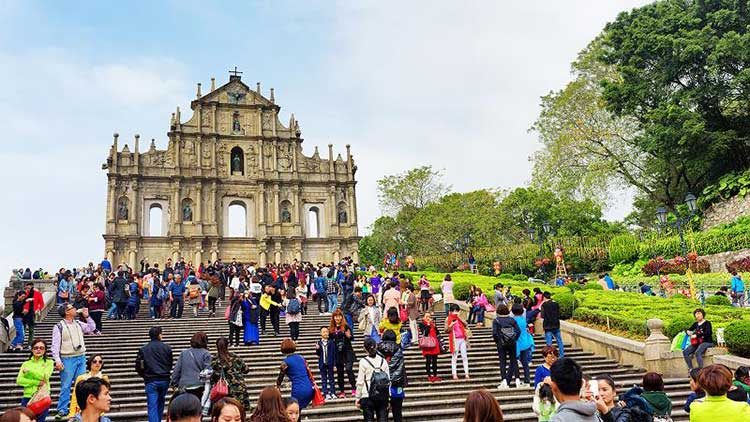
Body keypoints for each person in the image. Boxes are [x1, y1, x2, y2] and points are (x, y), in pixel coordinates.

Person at [52, 304, 97, 420]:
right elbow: (55, 345)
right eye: (72, 308)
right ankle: (62, 409)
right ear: (67, 312)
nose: (75, 309)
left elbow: (92, 327)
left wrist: (87, 316)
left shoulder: (78, 323)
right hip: (67, 358)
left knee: (81, 384)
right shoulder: (59, 326)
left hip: (81, 357)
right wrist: (57, 360)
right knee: (66, 385)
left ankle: (80, 407)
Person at [136, 326, 173, 422]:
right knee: (161, 402)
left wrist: (144, 375)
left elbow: (139, 365)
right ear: (159, 335)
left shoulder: (144, 349)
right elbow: (170, 363)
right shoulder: (167, 348)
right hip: (164, 379)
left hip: (151, 380)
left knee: (152, 405)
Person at [16, 339, 53, 422]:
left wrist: (29, 372)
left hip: (42, 396)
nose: (38, 350)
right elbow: (19, 380)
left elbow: (45, 376)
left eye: (41, 348)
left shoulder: (49, 362)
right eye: (36, 348)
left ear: (45, 350)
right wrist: (37, 382)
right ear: (32, 350)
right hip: (27, 396)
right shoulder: (26, 364)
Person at [355, 337, 390, 422]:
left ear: (364, 348)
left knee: (368, 419)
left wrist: (357, 397)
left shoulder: (363, 362)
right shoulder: (383, 361)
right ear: (376, 346)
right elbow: (388, 380)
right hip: (382, 395)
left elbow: (360, 382)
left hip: (367, 395)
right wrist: (389, 397)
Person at [210, 337, 250, 410]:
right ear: (227, 345)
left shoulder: (214, 360)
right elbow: (246, 370)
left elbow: (212, 376)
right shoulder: (235, 357)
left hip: (223, 391)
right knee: (240, 411)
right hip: (238, 389)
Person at [171, 332, 212, 401]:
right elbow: (208, 371)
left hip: (184, 386)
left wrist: (174, 383)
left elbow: (177, 370)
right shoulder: (206, 353)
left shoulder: (184, 353)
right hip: (199, 386)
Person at [276, 338, 315, 409]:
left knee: (293, 410)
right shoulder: (301, 358)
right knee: (297, 410)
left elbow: (281, 376)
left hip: (298, 389)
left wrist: (278, 385)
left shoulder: (285, 362)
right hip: (309, 387)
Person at [377, 330, 407, 422]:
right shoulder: (399, 349)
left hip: (381, 386)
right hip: (397, 385)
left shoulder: (377, 349)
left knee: (382, 413)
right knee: (397, 412)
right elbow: (400, 368)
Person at [492, 305, 521, 389]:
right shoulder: (512, 320)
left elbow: (494, 333)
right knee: (514, 361)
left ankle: (504, 381)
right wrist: (514, 339)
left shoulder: (496, 320)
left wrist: (497, 341)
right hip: (512, 343)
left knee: (502, 362)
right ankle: (517, 380)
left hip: (501, 344)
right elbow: (518, 331)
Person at [330, 309, 357, 397]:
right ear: (333, 318)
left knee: (349, 369)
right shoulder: (331, 329)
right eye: (336, 316)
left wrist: (349, 336)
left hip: (347, 350)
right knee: (340, 372)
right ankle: (342, 391)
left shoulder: (346, 326)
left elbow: (351, 337)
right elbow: (329, 340)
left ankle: (354, 388)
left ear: (342, 317)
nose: (337, 318)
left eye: (339, 316)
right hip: (337, 352)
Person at [445, 303, 470, 380]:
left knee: (464, 356)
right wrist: (451, 325)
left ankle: (466, 373)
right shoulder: (448, 319)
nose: (455, 312)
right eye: (454, 311)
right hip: (454, 339)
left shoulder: (459, 317)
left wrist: (460, 318)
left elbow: (466, 325)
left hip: (462, 338)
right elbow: (446, 330)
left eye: (457, 310)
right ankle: (454, 374)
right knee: (454, 357)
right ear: (451, 311)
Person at [512, 304, 534, 387]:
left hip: (517, 343)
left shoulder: (513, 320)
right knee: (525, 363)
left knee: (514, 362)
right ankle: (527, 381)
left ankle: (517, 379)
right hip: (525, 343)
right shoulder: (523, 320)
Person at [417, 311, 442, 382]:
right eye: (426, 317)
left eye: (429, 317)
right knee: (428, 360)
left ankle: (435, 375)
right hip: (427, 345)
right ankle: (429, 376)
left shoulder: (432, 324)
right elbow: (425, 333)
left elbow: (437, 333)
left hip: (434, 344)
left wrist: (435, 326)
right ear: (423, 317)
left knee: (435, 361)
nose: (428, 318)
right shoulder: (421, 324)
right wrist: (428, 325)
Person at [315, 327, 337, 400]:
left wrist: (334, 364)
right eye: (323, 332)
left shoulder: (331, 342)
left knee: (331, 378)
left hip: (330, 362)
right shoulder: (318, 343)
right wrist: (317, 349)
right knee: (324, 379)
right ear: (320, 333)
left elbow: (334, 354)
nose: (325, 333)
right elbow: (318, 354)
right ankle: (326, 393)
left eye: (326, 332)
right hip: (322, 363)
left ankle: (333, 392)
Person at [540, 292, 564, 357]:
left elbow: (542, 315)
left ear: (544, 297)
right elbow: (559, 314)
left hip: (548, 326)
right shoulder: (556, 304)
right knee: (559, 341)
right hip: (556, 325)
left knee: (549, 344)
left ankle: (550, 356)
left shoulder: (544, 305)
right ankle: (561, 355)